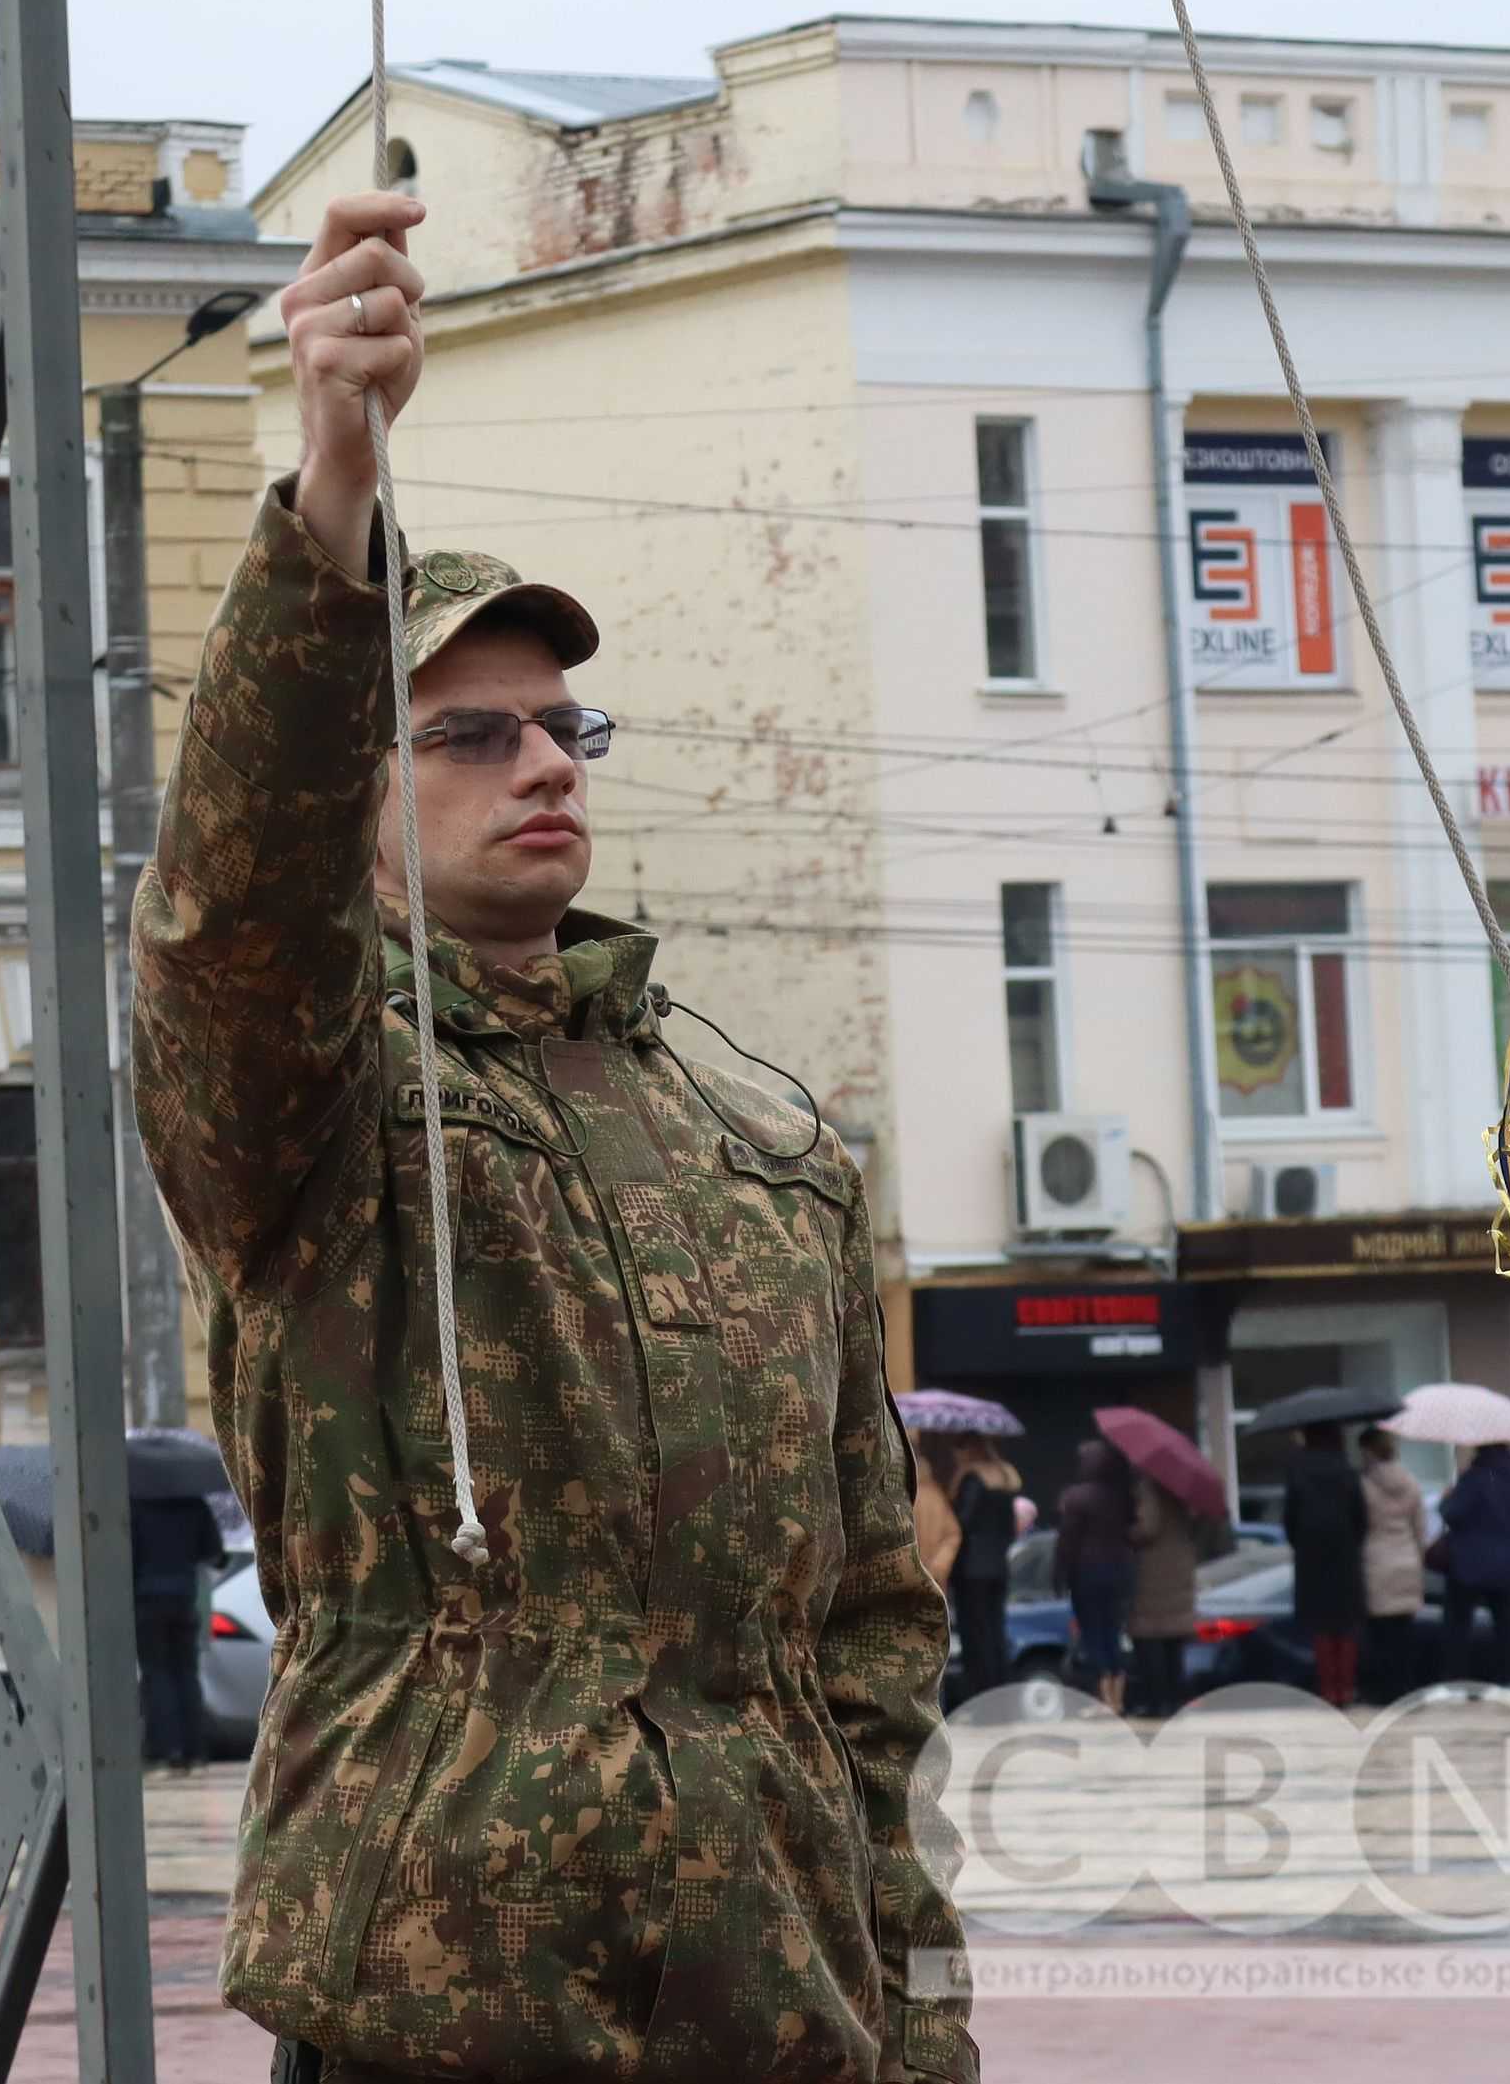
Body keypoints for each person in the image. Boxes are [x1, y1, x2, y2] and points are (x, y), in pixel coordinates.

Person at [130, 192, 974, 2084]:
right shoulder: (320, 1121)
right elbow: (228, 918)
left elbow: (863, 1646)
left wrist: (920, 2031)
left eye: (564, 727)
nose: (541, 763)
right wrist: (335, 488)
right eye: (467, 732)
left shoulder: (763, 1148)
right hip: (453, 2012)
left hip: (771, 2018)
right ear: (353, 789)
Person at [130, 1491, 226, 1775]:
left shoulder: (137, 1506)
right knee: (186, 1672)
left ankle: (165, 1750)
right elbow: (215, 1555)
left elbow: (128, 1555)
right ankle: (194, 1750)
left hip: (146, 1600)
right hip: (185, 1599)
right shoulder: (195, 1505)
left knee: (155, 1673)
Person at [1283, 1422, 1368, 1709]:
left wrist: (1303, 1545)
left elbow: (1289, 1519)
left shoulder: (1297, 1472)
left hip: (1311, 1558)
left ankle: (1328, 1689)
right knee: (1346, 1627)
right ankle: (1346, 1688)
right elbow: (1361, 1518)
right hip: (1344, 1556)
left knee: (1320, 1628)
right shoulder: (1348, 1472)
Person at [1436, 1443, 1510, 1686]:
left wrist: (1447, 1498)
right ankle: (1508, 1681)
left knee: (1458, 1627)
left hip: (1468, 1566)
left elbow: (1451, 1514)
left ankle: (1458, 1680)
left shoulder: (1473, 1480)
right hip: (1509, 1569)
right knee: (1506, 1627)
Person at [1055, 1439, 1137, 1714]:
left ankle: (1105, 1700)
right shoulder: (1122, 1496)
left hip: (1087, 1572)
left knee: (1093, 1633)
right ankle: (1119, 1697)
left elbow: (1067, 1542)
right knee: (1113, 1631)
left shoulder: (1077, 1498)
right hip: (1119, 1571)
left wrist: (1060, 1575)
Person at [948, 1436, 1023, 1703]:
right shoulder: (1005, 1479)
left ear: (969, 1451)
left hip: (971, 1568)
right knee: (995, 1631)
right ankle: (1001, 1694)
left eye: (958, 1450)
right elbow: (1011, 1528)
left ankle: (980, 1695)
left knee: (975, 1634)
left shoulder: (972, 1480)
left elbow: (962, 1522)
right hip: (998, 1566)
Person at [1359, 1430, 1430, 1704]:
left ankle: (1384, 1692)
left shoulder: (1364, 1485)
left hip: (1376, 1562)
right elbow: (1420, 1529)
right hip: (1407, 1561)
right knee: (1405, 1634)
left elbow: (1361, 1526)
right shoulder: (1411, 1483)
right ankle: (1406, 1688)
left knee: (1380, 1635)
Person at [1125, 1471, 1199, 1719]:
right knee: (1173, 1645)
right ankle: (1175, 1700)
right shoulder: (1183, 1490)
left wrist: (1127, 1532)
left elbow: (1148, 1527)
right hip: (1180, 1569)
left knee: (1150, 1642)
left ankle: (1157, 1703)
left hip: (1154, 1574)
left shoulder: (1149, 1489)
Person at [912, 1438, 962, 1591]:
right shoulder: (936, 1494)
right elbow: (953, 1534)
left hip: (907, 1579)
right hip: (933, 1582)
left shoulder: (898, 1494)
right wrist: (939, 1566)